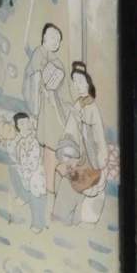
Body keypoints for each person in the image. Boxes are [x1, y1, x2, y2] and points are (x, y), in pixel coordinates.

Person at [51, 62, 109, 227]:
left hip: (91, 160)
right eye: (75, 82)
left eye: (81, 82)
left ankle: (76, 218)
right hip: (77, 157)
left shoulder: (92, 108)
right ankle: (63, 219)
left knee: (85, 189)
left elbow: (99, 138)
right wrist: (68, 150)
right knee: (67, 188)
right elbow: (70, 131)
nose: (78, 86)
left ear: (88, 83)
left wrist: (101, 159)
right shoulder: (77, 105)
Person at [22, 23, 71, 195]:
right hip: (45, 109)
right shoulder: (39, 54)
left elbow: (63, 89)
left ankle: (58, 178)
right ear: (44, 37)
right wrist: (40, 82)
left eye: (58, 39)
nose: (56, 41)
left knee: (53, 148)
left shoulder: (57, 62)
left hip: (55, 109)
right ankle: (50, 186)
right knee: (49, 147)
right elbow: (32, 78)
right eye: (52, 37)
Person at [6, 112, 47, 233]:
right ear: (17, 126)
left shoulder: (34, 140)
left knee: (36, 194)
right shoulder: (18, 139)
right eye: (22, 123)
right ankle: (24, 196)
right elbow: (13, 154)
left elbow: (34, 162)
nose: (26, 125)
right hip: (24, 170)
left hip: (35, 173)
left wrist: (27, 174)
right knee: (12, 169)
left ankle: (38, 223)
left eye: (27, 122)